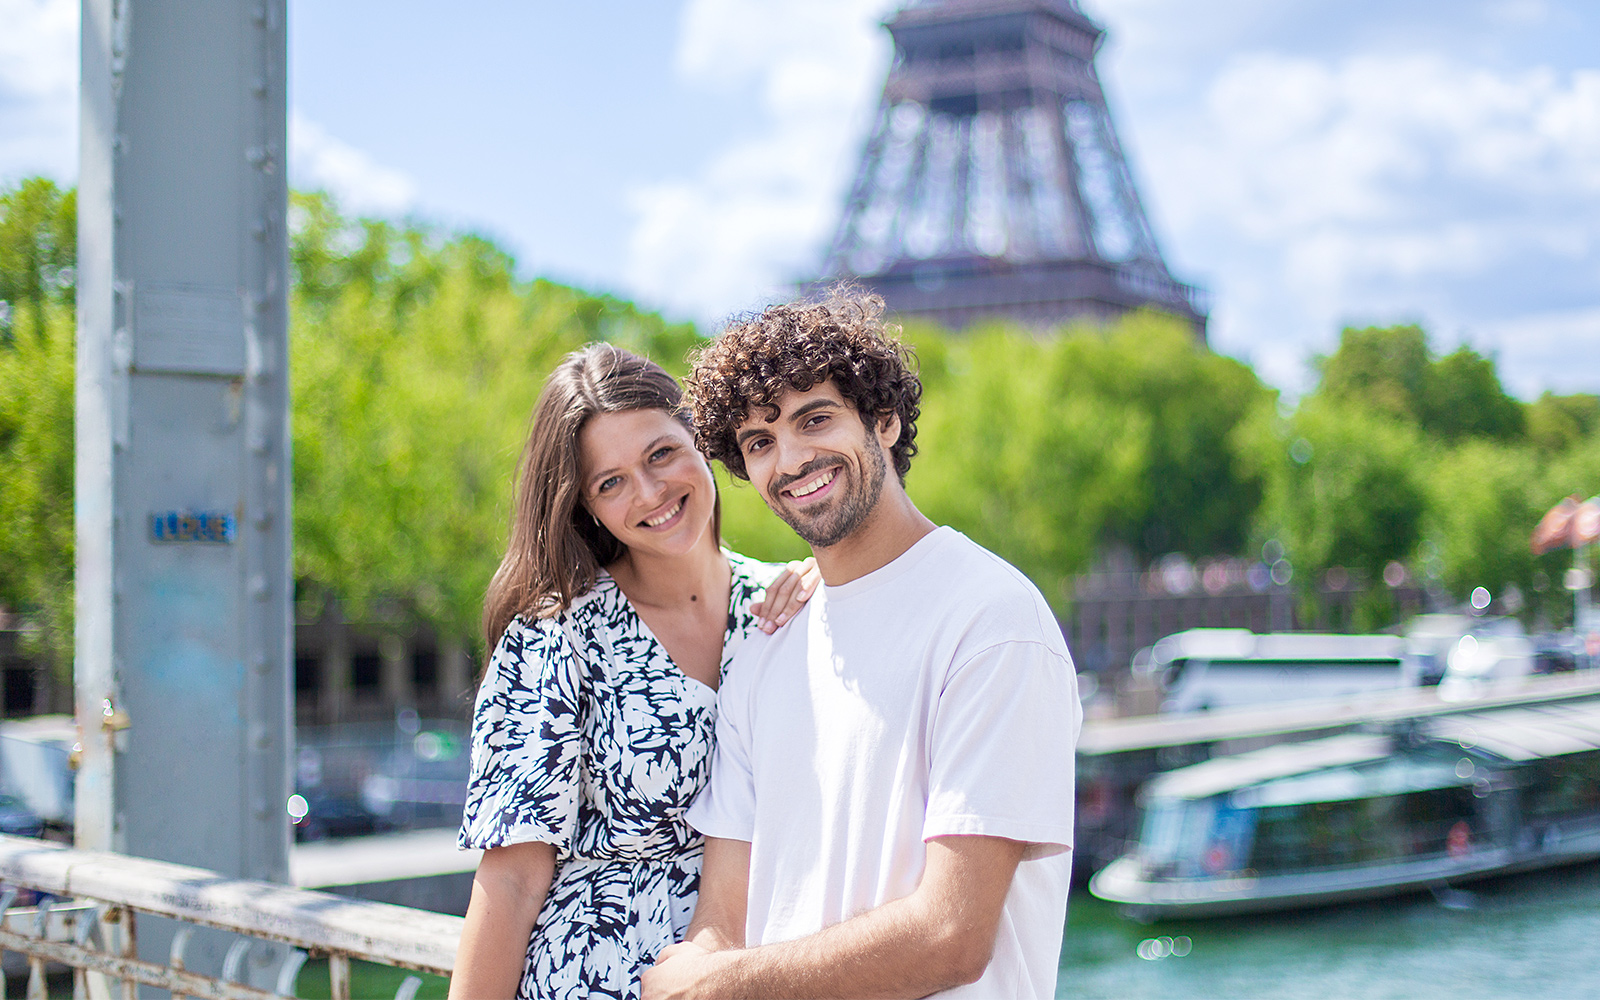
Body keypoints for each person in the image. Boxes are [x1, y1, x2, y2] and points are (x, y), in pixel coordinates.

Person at [641, 291, 1082, 999]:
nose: (790, 458)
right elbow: (725, 914)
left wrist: (722, 986)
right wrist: (703, 970)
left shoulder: (994, 623)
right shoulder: (766, 640)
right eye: (759, 443)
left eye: (815, 419)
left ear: (885, 419)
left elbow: (952, 937)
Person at [450, 344, 818, 1000]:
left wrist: (839, 576)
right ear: (587, 507)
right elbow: (509, 883)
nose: (650, 493)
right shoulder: (557, 635)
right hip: (597, 980)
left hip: (759, 973)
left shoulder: (788, 604)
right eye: (610, 482)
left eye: (660, 454)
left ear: (700, 440)